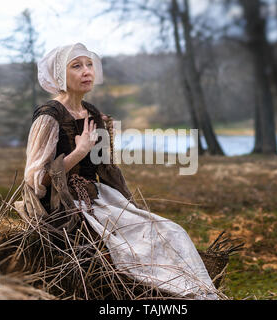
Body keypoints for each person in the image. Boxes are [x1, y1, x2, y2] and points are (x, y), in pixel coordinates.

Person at [23, 43, 218, 299]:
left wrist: (106, 139)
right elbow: (38, 180)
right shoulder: (49, 116)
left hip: (96, 196)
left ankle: (199, 293)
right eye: (76, 66)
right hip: (62, 205)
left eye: (89, 64)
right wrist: (79, 152)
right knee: (123, 247)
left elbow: (103, 165)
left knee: (170, 231)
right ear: (60, 74)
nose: (86, 72)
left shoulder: (92, 112)